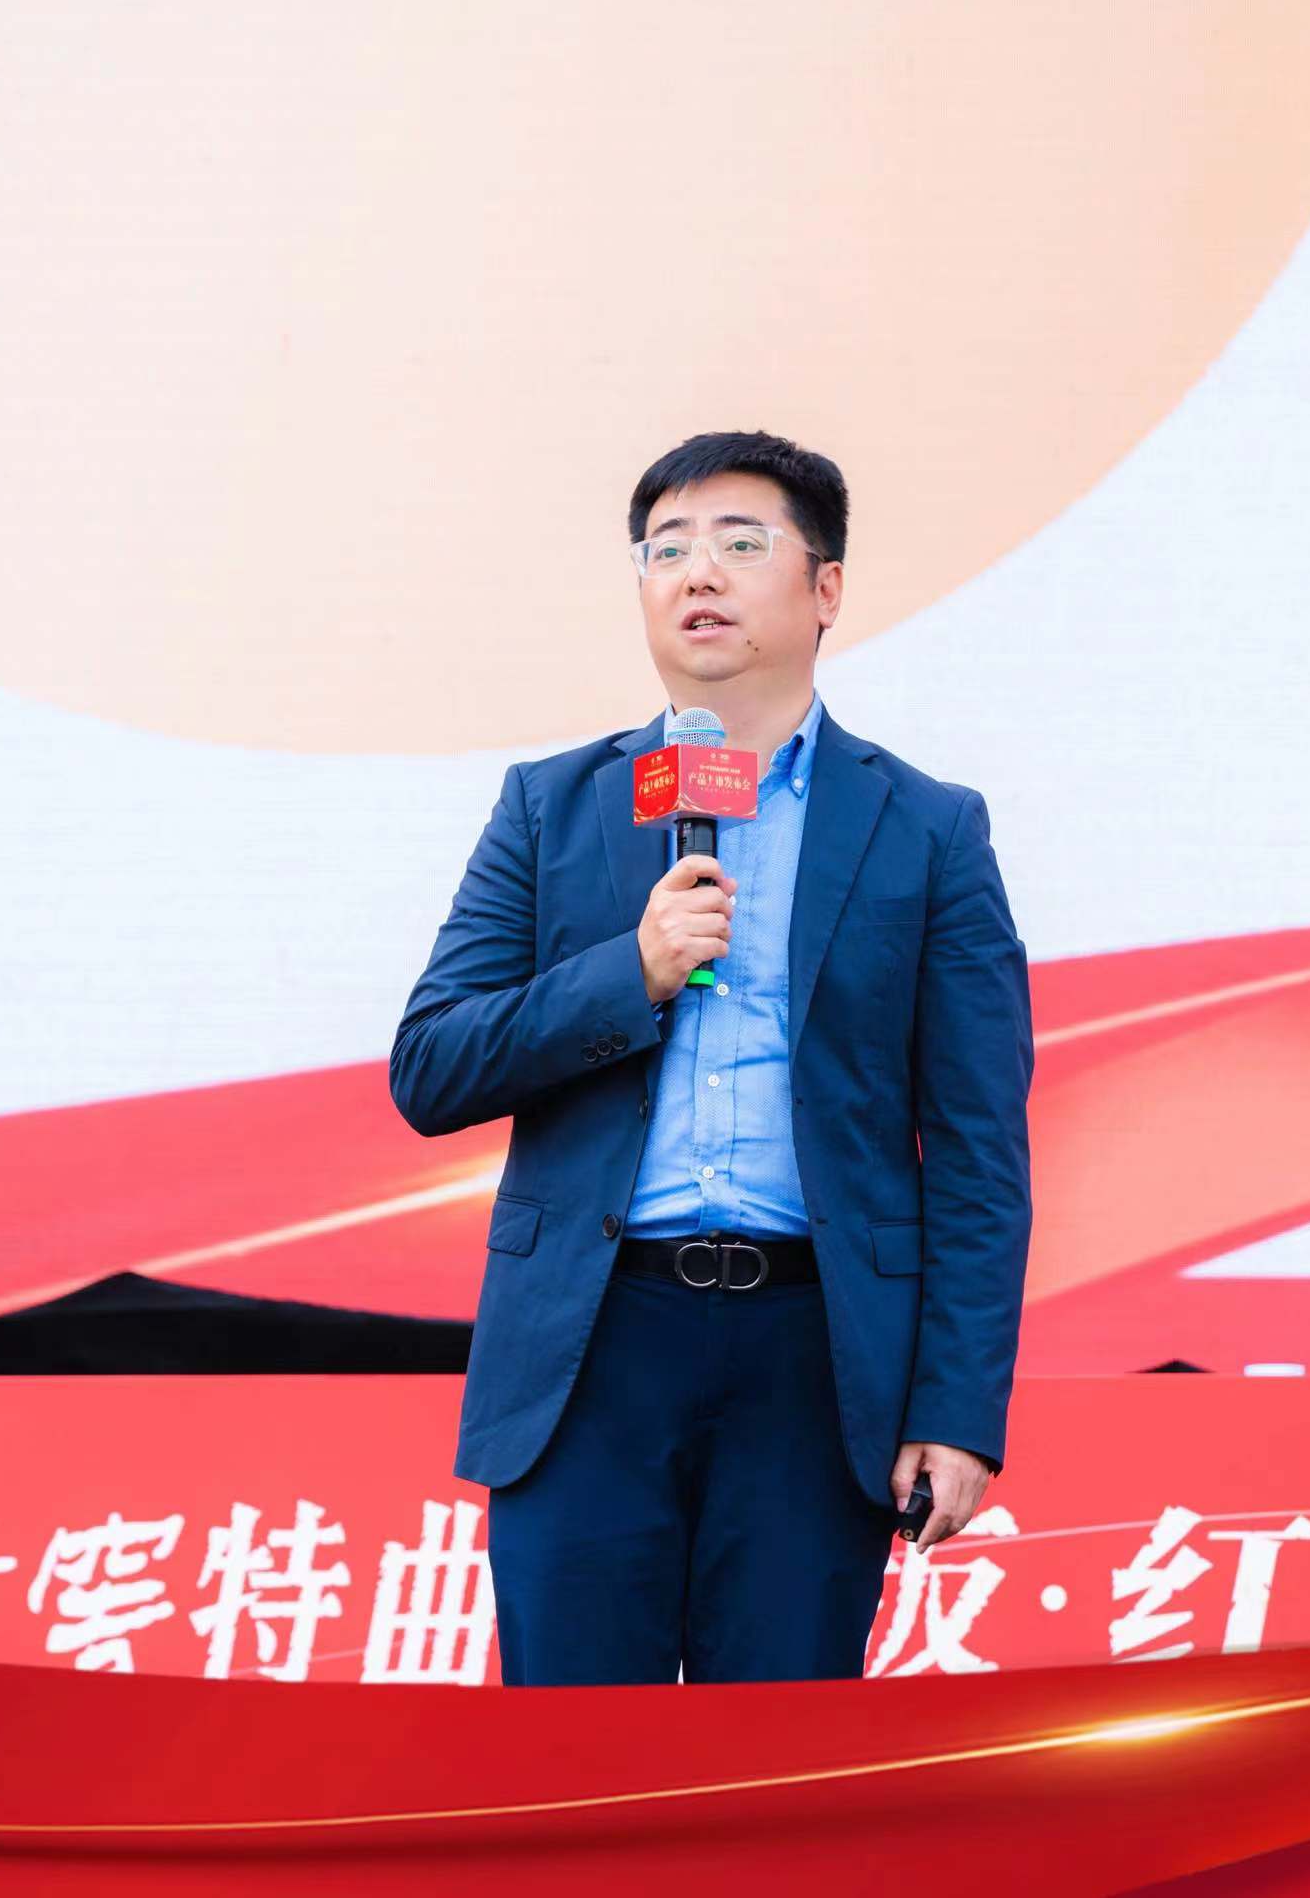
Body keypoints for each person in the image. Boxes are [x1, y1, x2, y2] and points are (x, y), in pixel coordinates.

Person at [388, 429, 1035, 1684]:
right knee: (578, 1761)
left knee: (772, 1761)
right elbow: (433, 1065)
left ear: (825, 588)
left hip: (815, 1355)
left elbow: (978, 1151)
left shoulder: (926, 829)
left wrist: (956, 1409)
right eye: (666, 548)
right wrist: (626, 973)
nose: (699, 573)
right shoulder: (553, 806)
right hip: (592, 1346)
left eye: (742, 543)